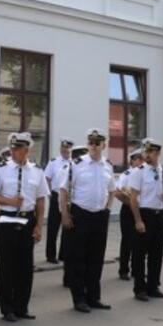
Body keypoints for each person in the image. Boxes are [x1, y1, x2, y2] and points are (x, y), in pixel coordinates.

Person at [0, 132, 48, 321]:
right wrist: (8, 200)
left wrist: (39, 226)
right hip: (7, 220)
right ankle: (7, 308)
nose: (13, 152)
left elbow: (41, 199)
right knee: (6, 267)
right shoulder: (2, 169)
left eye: (17, 149)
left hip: (28, 220)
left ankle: (22, 307)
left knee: (25, 267)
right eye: (12, 148)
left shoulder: (37, 171)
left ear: (26, 150)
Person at [59, 128, 116, 313]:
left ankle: (94, 297)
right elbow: (63, 191)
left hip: (99, 216)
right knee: (78, 259)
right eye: (90, 142)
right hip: (80, 214)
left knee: (96, 258)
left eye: (97, 143)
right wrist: (65, 215)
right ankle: (79, 298)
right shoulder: (76, 164)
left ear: (104, 145)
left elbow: (112, 190)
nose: (93, 146)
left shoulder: (108, 165)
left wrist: (107, 209)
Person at [126, 139, 163, 301]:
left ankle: (153, 286)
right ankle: (139, 288)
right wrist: (138, 220)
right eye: (146, 152)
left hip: (160, 215)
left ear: (158, 154)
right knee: (140, 253)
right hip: (145, 214)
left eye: (151, 152)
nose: (147, 155)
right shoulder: (139, 171)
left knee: (157, 253)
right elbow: (133, 198)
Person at [55, 144, 88, 288]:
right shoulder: (67, 169)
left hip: (80, 209)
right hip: (69, 209)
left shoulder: (82, 169)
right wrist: (64, 213)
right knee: (69, 246)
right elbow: (61, 191)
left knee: (81, 246)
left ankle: (78, 275)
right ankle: (68, 277)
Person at [43, 138, 74, 264]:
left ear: (71, 149)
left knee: (67, 227)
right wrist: (49, 194)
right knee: (53, 227)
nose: (64, 150)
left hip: (69, 198)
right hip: (56, 196)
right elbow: (47, 178)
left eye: (67, 148)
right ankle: (50, 255)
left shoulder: (75, 162)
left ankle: (64, 254)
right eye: (62, 148)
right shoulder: (54, 162)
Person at [116, 149, 144, 281]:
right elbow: (119, 191)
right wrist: (129, 200)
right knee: (127, 240)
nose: (141, 160)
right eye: (138, 158)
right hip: (128, 209)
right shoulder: (127, 174)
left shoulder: (145, 173)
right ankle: (123, 270)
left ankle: (136, 269)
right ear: (132, 160)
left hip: (142, 209)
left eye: (142, 158)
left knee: (140, 242)